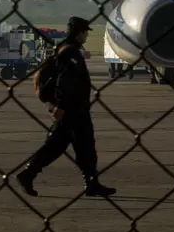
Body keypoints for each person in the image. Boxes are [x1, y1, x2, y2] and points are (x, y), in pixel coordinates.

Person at [15, 16, 116, 198]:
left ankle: (91, 183)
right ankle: (27, 174)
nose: (86, 36)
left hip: (73, 108)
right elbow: (65, 82)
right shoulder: (70, 52)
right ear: (80, 32)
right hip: (72, 110)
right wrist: (60, 106)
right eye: (85, 32)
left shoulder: (64, 49)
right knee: (64, 146)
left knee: (76, 146)